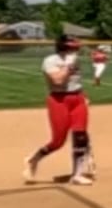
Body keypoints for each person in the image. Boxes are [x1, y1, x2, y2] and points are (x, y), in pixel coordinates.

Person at [24, 34, 95, 185]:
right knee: (58, 141)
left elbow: (76, 82)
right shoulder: (50, 60)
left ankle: (77, 174)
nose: (75, 50)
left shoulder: (75, 59)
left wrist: (83, 96)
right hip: (59, 100)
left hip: (77, 99)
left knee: (80, 135)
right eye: (72, 47)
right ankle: (34, 159)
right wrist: (69, 65)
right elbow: (58, 80)